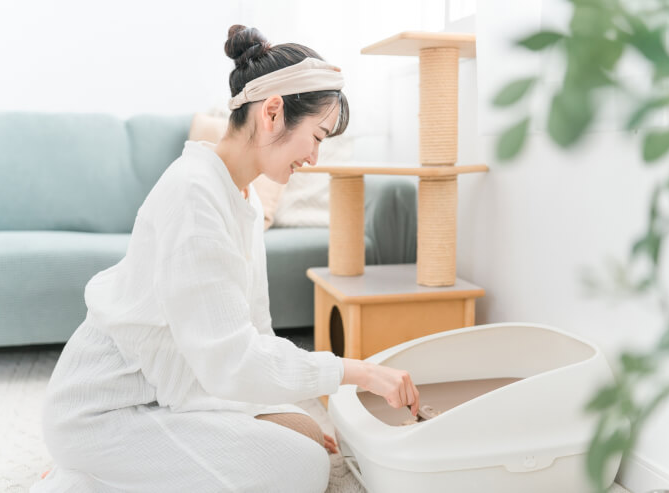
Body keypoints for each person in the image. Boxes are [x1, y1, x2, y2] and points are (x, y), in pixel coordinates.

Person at [30, 24, 419, 493]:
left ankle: (115, 470)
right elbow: (232, 362)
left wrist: (300, 409)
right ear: (272, 112)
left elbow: (255, 333)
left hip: (178, 387)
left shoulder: (245, 199)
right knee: (302, 469)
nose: (315, 157)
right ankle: (85, 476)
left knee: (307, 434)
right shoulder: (193, 194)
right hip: (102, 410)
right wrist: (355, 371)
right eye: (316, 136)